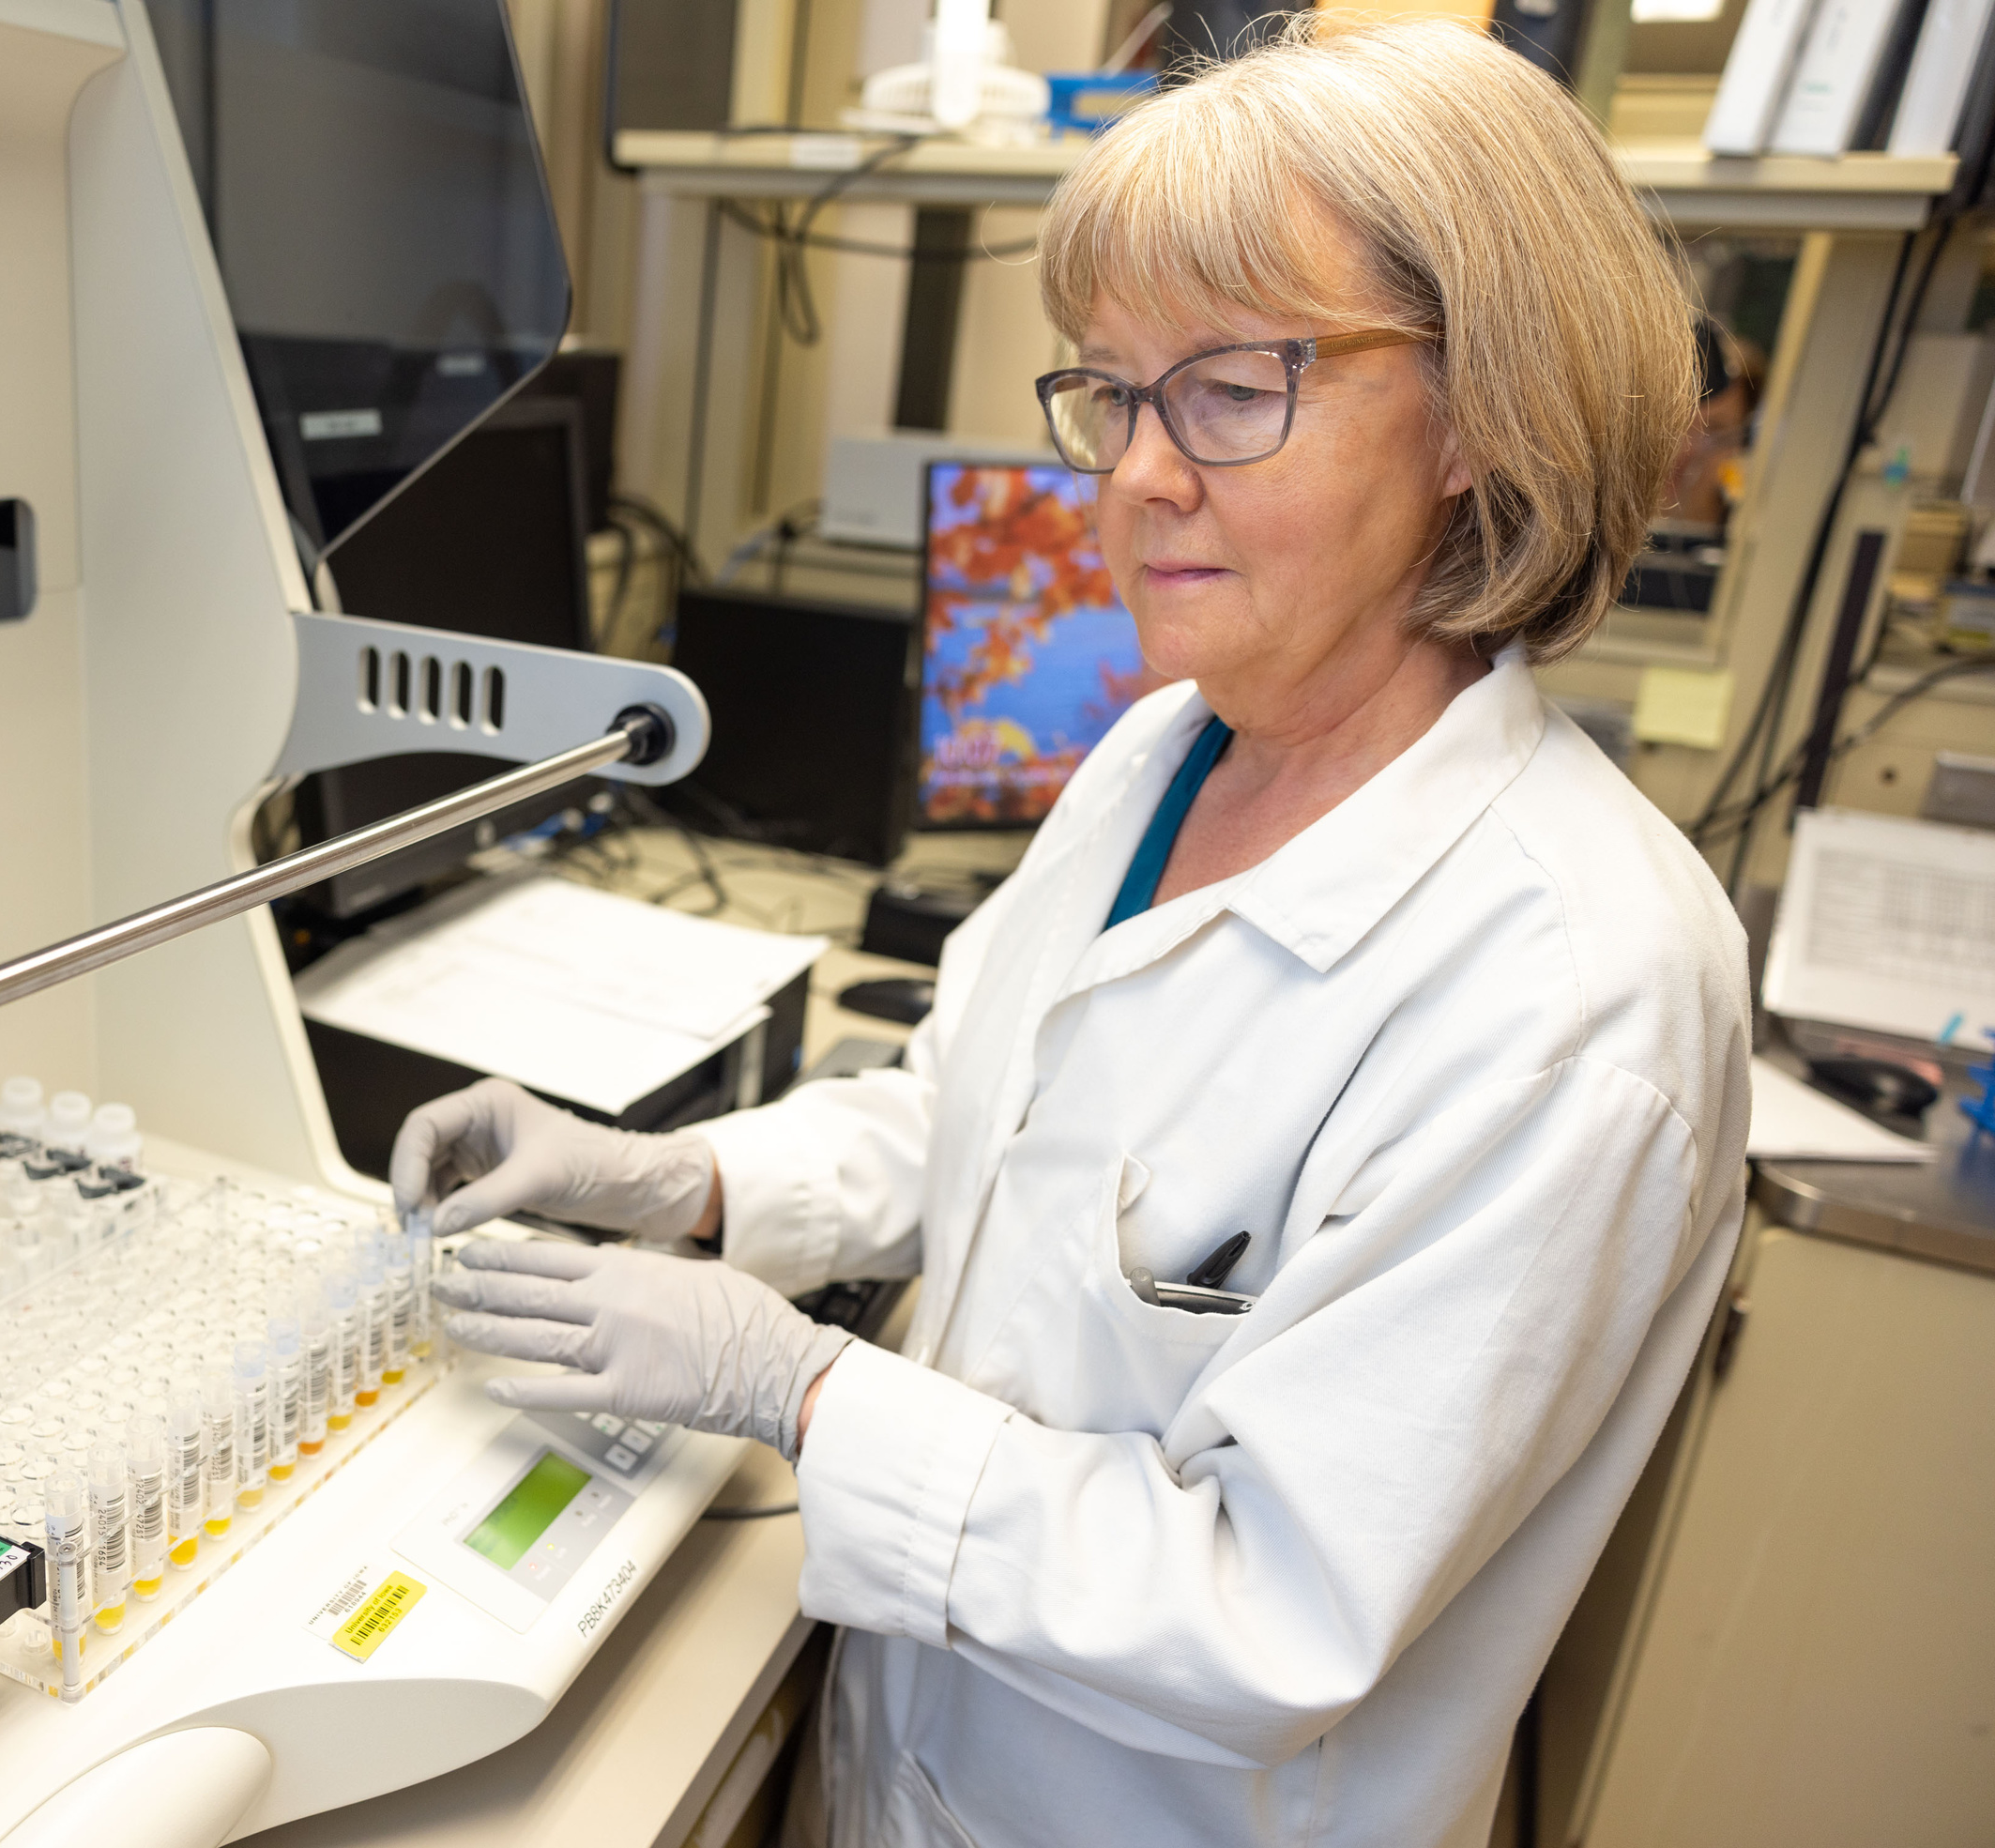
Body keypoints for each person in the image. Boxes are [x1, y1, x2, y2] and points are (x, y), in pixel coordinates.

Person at [393, 20, 1749, 1847]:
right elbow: (983, 1112)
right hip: (908, 1757)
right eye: (1112, 392)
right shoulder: (1165, 749)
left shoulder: (1574, 995)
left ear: (1484, 414)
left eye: (1231, 389)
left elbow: (1271, 1606)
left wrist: (790, 1379)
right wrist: (685, 1176)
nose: (1135, 476)